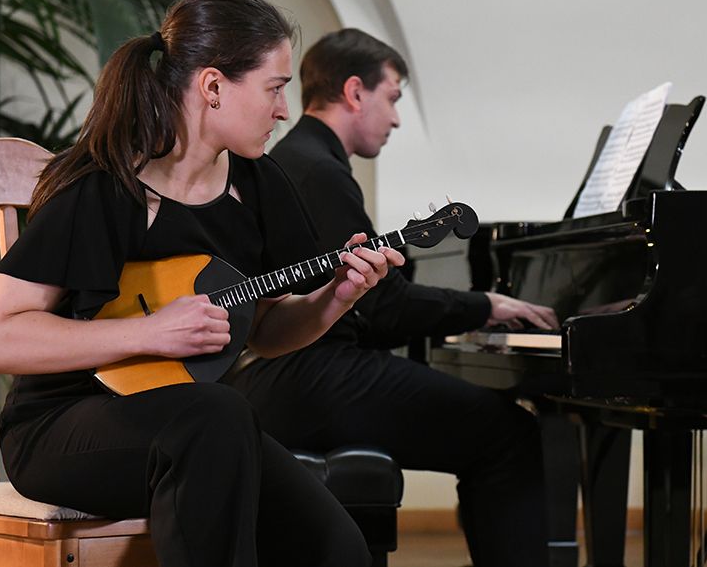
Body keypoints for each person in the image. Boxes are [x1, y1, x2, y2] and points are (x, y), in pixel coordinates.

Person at [0, 0, 404, 567]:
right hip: (62, 427)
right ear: (213, 86)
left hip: (194, 426)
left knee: (335, 546)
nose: (283, 110)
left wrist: (336, 299)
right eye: (274, 88)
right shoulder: (103, 187)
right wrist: (149, 332)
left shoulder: (260, 185)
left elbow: (267, 332)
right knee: (219, 418)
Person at [226, 28, 559, 567]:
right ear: (355, 92)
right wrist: (486, 306)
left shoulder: (299, 158)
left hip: (287, 372)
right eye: (393, 97)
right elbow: (383, 307)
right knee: (509, 434)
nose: (397, 118)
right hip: (309, 375)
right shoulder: (319, 171)